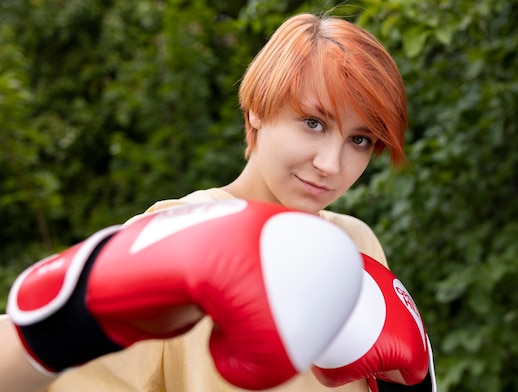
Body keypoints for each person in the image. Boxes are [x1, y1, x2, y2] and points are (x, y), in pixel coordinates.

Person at [0, 12, 435, 392]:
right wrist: (55, 328)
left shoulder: (357, 240)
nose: (330, 164)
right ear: (257, 111)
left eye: (359, 139)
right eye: (313, 122)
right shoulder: (177, 231)